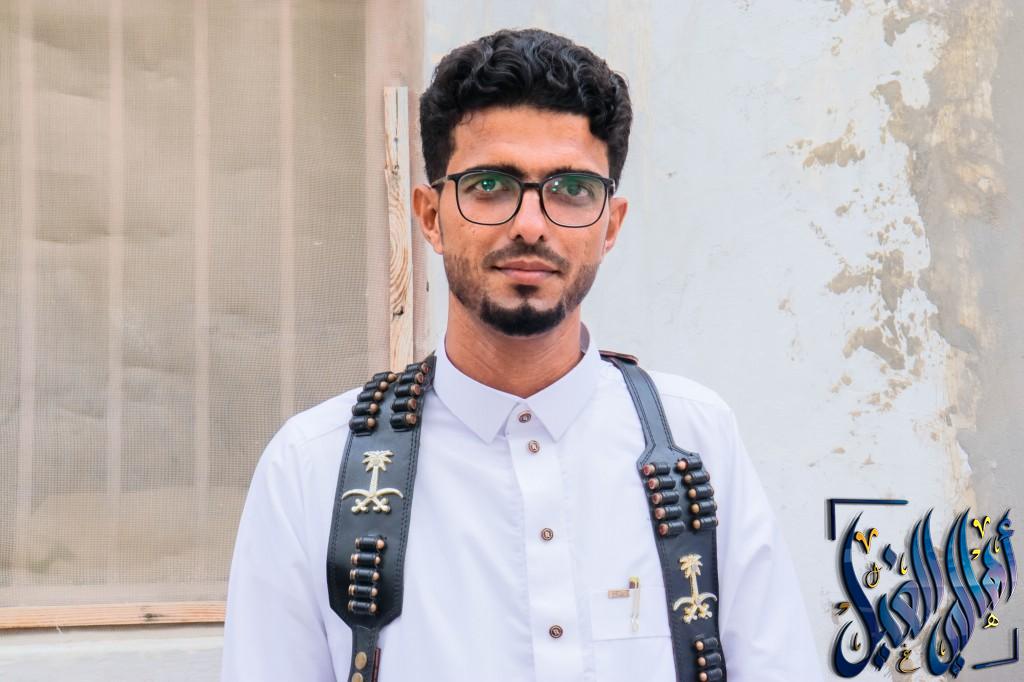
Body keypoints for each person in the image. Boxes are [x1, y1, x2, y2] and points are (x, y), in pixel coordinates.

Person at [222, 28, 821, 682]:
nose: (531, 224)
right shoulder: (313, 468)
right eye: (490, 184)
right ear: (430, 215)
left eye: (571, 189)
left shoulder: (695, 442)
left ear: (611, 224)